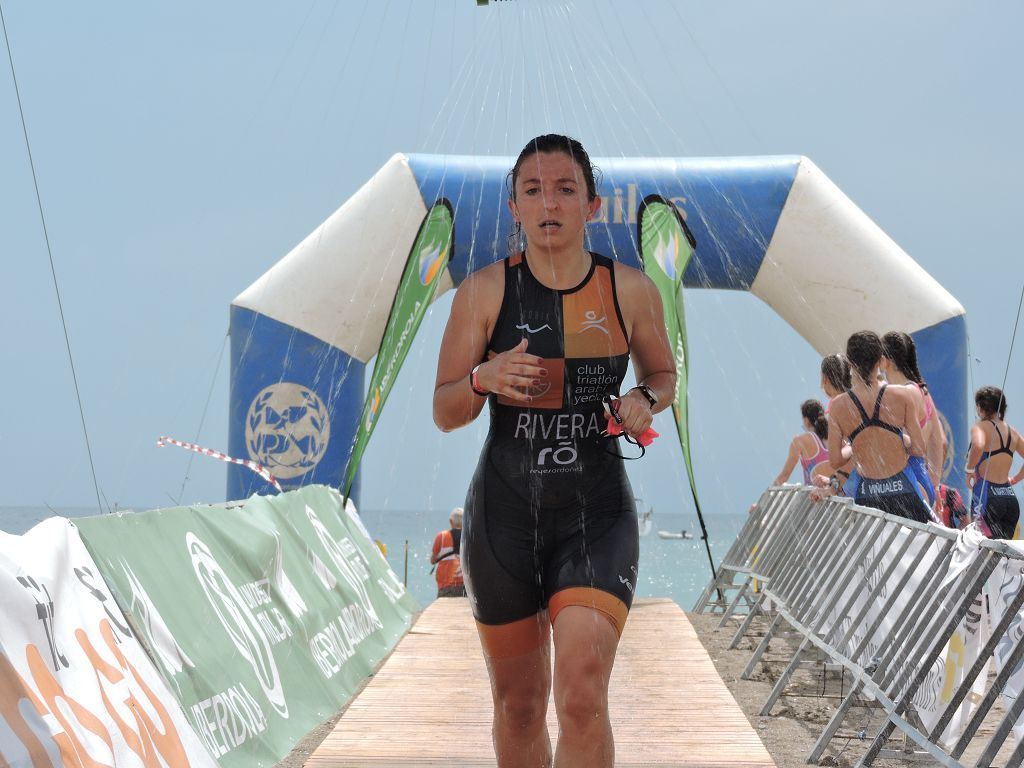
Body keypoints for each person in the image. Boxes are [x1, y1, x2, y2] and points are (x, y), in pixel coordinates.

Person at [433, 134, 675, 768]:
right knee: (518, 705)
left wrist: (644, 401)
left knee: (582, 697)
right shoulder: (483, 294)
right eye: (533, 190)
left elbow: (663, 376)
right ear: (514, 205)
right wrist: (484, 379)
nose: (549, 204)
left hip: (595, 514)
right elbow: (445, 411)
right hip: (503, 518)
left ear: (592, 205)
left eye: (565, 189)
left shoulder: (630, 290)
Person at [827, 331, 932, 523]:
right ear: (881, 361)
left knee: (874, 552)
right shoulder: (902, 396)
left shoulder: (838, 406)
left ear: (850, 364)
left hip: (868, 496)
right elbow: (919, 449)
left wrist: (854, 446)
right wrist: (902, 439)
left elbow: (835, 460)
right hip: (903, 488)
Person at [882, 331, 948, 488]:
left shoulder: (897, 395)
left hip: (901, 484)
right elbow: (942, 443)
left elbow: (898, 446)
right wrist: (933, 486)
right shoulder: (923, 392)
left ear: (886, 361)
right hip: (921, 481)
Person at [965, 386, 1024, 539]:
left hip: (987, 497)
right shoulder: (1012, 431)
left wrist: (969, 470)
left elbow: (978, 445)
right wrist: (1016, 479)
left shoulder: (981, 426)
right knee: (1003, 555)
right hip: (1009, 498)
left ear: (980, 407)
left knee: (980, 548)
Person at [773, 400, 832, 486]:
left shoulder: (799, 441)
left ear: (806, 420)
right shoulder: (835, 436)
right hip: (838, 493)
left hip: (815, 496)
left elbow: (784, 476)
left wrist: (769, 492)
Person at [430, 507, 466, 597]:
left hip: (446, 587)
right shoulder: (469, 538)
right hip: (465, 587)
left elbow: (433, 560)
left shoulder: (442, 536)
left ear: (450, 521)